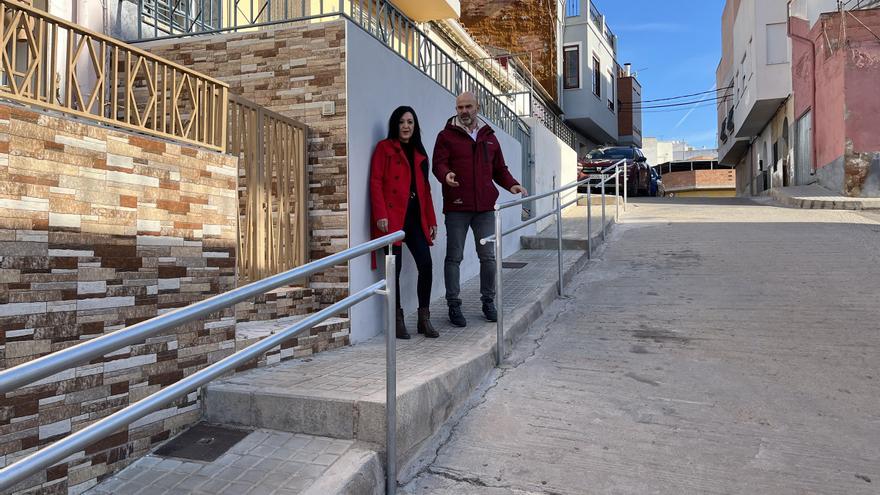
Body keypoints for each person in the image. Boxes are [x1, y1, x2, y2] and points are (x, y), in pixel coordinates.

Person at [432, 92, 527, 327]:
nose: (464, 111)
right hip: (457, 207)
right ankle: (453, 305)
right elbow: (438, 164)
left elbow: (499, 169)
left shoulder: (490, 137)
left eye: (468, 106)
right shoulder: (446, 136)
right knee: (454, 257)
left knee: (488, 257)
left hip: (484, 208)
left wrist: (512, 184)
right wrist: (446, 175)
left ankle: (488, 302)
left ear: (477, 108)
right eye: (459, 107)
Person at [370, 106, 439, 339]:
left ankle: (424, 318)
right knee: (394, 269)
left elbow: (425, 191)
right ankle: (397, 319)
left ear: (415, 125)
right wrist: (380, 214)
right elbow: (376, 181)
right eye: (401, 122)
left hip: (415, 218)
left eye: (410, 122)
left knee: (426, 265)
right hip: (392, 219)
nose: (406, 126)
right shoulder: (384, 148)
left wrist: (431, 220)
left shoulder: (420, 154)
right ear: (395, 125)